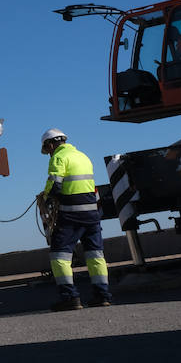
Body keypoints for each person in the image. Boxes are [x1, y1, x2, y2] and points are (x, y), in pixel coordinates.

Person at [40, 129, 112, 311]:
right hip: (92, 214)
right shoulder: (83, 157)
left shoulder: (59, 158)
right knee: (95, 254)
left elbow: (55, 185)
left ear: (50, 145)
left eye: (47, 150)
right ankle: (102, 295)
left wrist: (46, 197)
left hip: (71, 214)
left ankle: (70, 297)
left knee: (59, 256)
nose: (48, 153)